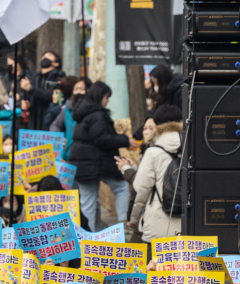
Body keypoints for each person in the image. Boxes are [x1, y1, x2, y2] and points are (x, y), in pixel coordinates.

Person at [69, 81, 134, 229]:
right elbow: (101, 139)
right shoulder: (97, 115)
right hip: (97, 163)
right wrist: (125, 140)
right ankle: (123, 224)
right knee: (122, 187)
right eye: (106, 97)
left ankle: (88, 238)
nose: (108, 100)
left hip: (83, 165)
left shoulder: (83, 113)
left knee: (87, 203)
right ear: (99, 97)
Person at [129, 105, 184, 242]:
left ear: (158, 125)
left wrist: (134, 219)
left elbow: (141, 190)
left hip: (158, 228)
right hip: (187, 227)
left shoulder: (153, 152)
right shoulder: (193, 149)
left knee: (153, 264)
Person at [22, 51, 64, 130]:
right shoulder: (35, 78)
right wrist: (27, 104)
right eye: (43, 56)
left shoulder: (59, 78)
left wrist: (31, 88)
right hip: (34, 124)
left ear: (56, 63)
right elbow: (31, 97)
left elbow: (50, 96)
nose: (45, 57)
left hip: (49, 122)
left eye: (49, 55)